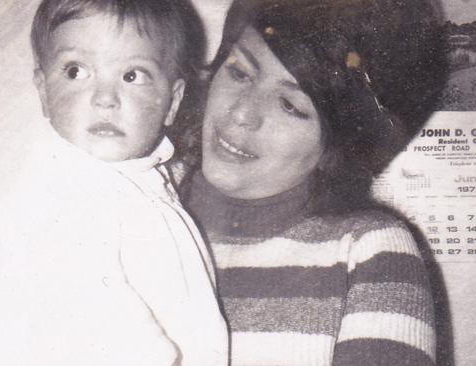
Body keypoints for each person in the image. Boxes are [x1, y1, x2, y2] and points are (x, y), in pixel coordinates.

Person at [0, 0, 227, 365]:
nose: (105, 99)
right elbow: (99, 322)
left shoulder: (141, 185)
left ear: (172, 103)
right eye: (76, 71)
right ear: (44, 91)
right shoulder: (57, 189)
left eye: (132, 75)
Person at [178, 0, 448, 365]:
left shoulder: (369, 252)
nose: (242, 113)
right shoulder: (131, 197)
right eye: (240, 73)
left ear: (333, 147)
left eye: (291, 105)